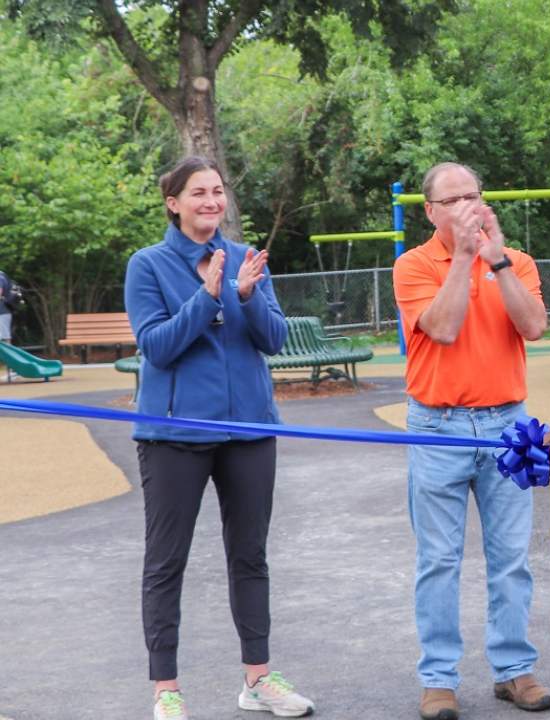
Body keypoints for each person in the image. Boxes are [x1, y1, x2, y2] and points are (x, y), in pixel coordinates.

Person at [124, 157, 314, 720]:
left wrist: (249, 296)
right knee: (166, 562)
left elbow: (275, 341)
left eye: (217, 191)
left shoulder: (245, 259)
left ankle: (258, 679)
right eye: (197, 192)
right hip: (175, 434)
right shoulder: (148, 264)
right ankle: (166, 689)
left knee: (250, 556)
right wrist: (207, 297)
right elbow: (157, 346)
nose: (211, 201)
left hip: (250, 429)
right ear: (173, 202)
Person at [392, 162, 550, 720]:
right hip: (438, 426)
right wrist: (463, 257)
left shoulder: (517, 261)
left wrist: (497, 260)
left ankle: (514, 670)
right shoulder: (413, 266)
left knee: (512, 558)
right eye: (452, 200)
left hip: (508, 422)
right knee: (438, 559)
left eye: (474, 197)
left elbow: (534, 327)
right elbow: (442, 327)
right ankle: (438, 679)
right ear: (430, 211)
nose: (466, 208)